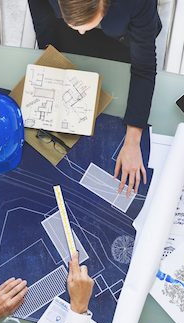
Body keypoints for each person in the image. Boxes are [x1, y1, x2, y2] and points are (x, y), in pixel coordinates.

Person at [27, 0, 161, 196]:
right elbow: (42, 19)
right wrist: (50, 57)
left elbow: (145, 68)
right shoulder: (71, 24)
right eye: (77, 26)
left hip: (124, 37)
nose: (82, 32)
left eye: (84, 27)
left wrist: (133, 141)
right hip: (64, 36)